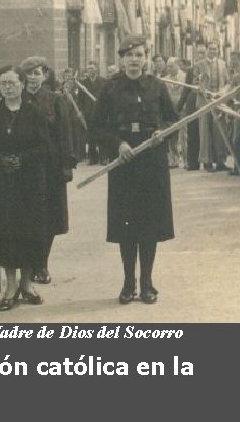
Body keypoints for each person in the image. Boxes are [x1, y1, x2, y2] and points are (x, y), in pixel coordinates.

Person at [93, 35, 178, 305]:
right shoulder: (110, 89)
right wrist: (117, 145)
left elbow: (172, 120)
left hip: (152, 162)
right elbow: (96, 127)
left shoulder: (157, 87)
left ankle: (147, 284)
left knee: (149, 225)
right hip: (124, 162)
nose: (134, 60)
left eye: (139, 55)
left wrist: (161, 133)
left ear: (146, 58)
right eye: (129, 55)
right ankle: (128, 283)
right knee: (126, 225)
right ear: (121, 59)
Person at [0, 65, 51, 311]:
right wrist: (0, 160)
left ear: (22, 83)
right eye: (3, 83)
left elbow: (44, 147)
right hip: (2, 184)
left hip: (29, 183)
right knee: (7, 234)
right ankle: (10, 286)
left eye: (12, 82)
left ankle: (27, 284)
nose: (8, 87)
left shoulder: (34, 112)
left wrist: (23, 159)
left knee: (29, 233)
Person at [20, 57, 75, 285]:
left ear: (45, 75)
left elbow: (65, 134)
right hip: (23, 169)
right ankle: (27, 265)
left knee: (49, 218)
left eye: (37, 72)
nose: (33, 77)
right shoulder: (17, 100)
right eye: (29, 73)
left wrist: (66, 165)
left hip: (50, 168)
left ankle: (41, 264)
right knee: (27, 218)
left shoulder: (55, 100)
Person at [196, 41, 229, 171]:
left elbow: (227, 82)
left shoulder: (222, 64)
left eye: (215, 49)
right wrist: (204, 91)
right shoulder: (199, 65)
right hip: (204, 102)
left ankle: (220, 161)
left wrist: (223, 92)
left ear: (218, 50)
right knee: (205, 131)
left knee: (220, 131)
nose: (213, 51)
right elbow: (195, 83)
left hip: (219, 101)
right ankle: (207, 161)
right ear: (207, 50)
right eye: (210, 49)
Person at [79, 63, 107, 165]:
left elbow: (106, 96)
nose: (90, 70)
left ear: (96, 69)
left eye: (92, 68)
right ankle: (92, 158)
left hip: (101, 111)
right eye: (88, 68)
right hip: (88, 112)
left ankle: (103, 157)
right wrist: (81, 111)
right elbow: (80, 99)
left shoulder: (103, 81)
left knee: (102, 133)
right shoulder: (83, 83)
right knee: (91, 135)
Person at [163, 57, 186, 168]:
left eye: (171, 66)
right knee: (171, 136)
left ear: (177, 65)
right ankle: (174, 160)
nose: (169, 69)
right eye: (167, 66)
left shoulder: (185, 77)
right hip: (171, 111)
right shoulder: (165, 79)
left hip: (183, 109)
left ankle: (186, 160)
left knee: (184, 135)